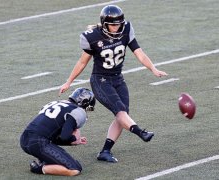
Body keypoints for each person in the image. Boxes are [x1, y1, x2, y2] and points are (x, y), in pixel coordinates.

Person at [59, 5, 168, 163]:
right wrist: (69, 81)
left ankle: (105, 151)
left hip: (118, 79)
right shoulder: (93, 37)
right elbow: (82, 62)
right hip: (100, 80)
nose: (116, 27)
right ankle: (140, 132)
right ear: (104, 23)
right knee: (120, 111)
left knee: (122, 115)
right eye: (113, 24)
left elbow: (139, 52)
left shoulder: (126, 30)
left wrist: (153, 68)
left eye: (118, 24)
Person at [20, 87, 95, 176]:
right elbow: (64, 137)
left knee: (49, 145)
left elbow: (51, 135)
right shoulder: (78, 111)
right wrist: (74, 138)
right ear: (86, 104)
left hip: (24, 139)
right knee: (75, 169)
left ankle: (44, 160)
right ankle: (38, 168)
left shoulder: (56, 103)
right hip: (39, 143)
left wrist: (71, 142)